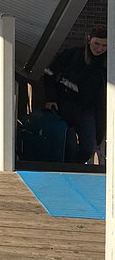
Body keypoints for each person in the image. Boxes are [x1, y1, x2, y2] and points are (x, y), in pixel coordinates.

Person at [44, 25, 107, 164]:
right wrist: (51, 98)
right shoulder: (72, 55)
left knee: (89, 148)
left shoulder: (106, 63)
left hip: (88, 109)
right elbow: (49, 73)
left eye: (104, 45)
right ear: (89, 39)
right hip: (66, 105)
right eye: (97, 43)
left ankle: (74, 168)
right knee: (69, 147)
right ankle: (67, 170)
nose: (99, 48)